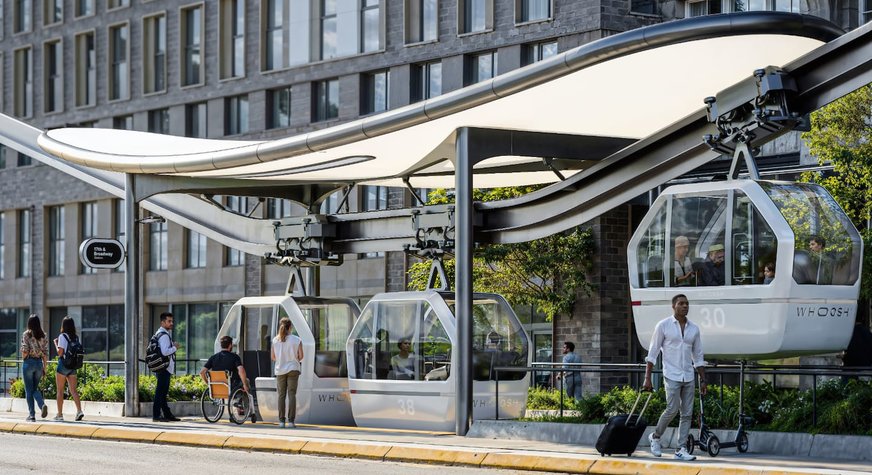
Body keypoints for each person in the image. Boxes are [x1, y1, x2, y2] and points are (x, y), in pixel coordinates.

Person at [643, 294, 706, 462]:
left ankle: (681, 448)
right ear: (673, 306)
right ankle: (655, 436)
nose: (685, 306)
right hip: (671, 374)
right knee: (672, 409)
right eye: (681, 303)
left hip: (689, 375)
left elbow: (698, 356)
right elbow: (653, 353)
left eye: (687, 304)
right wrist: (647, 378)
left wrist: (703, 379)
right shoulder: (663, 325)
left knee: (687, 414)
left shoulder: (694, 329)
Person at [272, 317, 303, 428]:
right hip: (293, 369)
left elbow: (273, 357)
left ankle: (281, 421)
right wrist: (293, 359)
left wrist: (282, 359)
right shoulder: (297, 340)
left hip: (280, 370)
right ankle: (291, 421)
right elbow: (301, 356)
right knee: (292, 394)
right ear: (290, 327)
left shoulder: (275, 340)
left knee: (281, 395)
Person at [54, 316, 84, 422]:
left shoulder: (62, 336)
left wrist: (56, 343)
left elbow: (60, 353)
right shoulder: (76, 337)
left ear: (63, 325)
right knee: (73, 390)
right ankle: (79, 411)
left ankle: (59, 414)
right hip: (73, 366)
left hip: (63, 365)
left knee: (60, 390)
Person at [152, 312, 180, 422]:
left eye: (172, 321)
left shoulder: (160, 333)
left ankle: (167, 414)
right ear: (162, 322)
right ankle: (156, 415)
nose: (171, 323)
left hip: (162, 367)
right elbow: (165, 352)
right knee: (160, 392)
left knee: (162, 393)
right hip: (164, 368)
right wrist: (175, 347)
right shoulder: (163, 335)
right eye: (169, 321)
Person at [20, 314, 49, 421]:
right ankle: (42, 405)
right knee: (34, 389)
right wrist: (44, 368)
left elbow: (25, 350)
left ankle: (32, 415)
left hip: (29, 362)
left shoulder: (26, 334)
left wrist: (24, 358)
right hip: (39, 364)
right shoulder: (44, 335)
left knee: (29, 390)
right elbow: (45, 353)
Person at [840, 318, 872, 383]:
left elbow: (851, 352)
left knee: (847, 386)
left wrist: (843, 357)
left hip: (851, 368)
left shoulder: (849, 334)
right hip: (866, 368)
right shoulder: (867, 333)